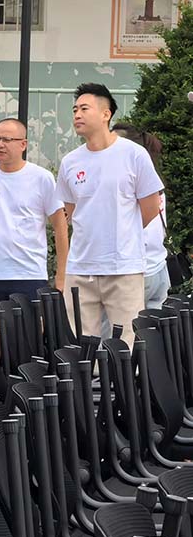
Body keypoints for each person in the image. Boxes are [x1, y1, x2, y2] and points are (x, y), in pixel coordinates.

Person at [56, 83, 163, 348]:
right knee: (80, 346)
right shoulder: (70, 162)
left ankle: (123, 379)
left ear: (106, 114)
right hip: (80, 268)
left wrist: (122, 233)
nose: (77, 115)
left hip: (123, 268)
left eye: (84, 108)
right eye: (75, 109)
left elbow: (151, 207)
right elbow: (72, 211)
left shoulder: (133, 154)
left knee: (126, 345)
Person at [0, 118, 69, 313]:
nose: (0, 144)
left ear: (23, 144)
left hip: (29, 275)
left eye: (7, 140)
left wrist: (62, 275)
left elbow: (60, 226)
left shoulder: (42, 178)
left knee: (28, 331)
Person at [112, 123, 168, 309]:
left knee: (114, 327)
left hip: (135, 272)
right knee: (153, 326)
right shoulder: (155, 182)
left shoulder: (127, 183)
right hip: (158, 268)